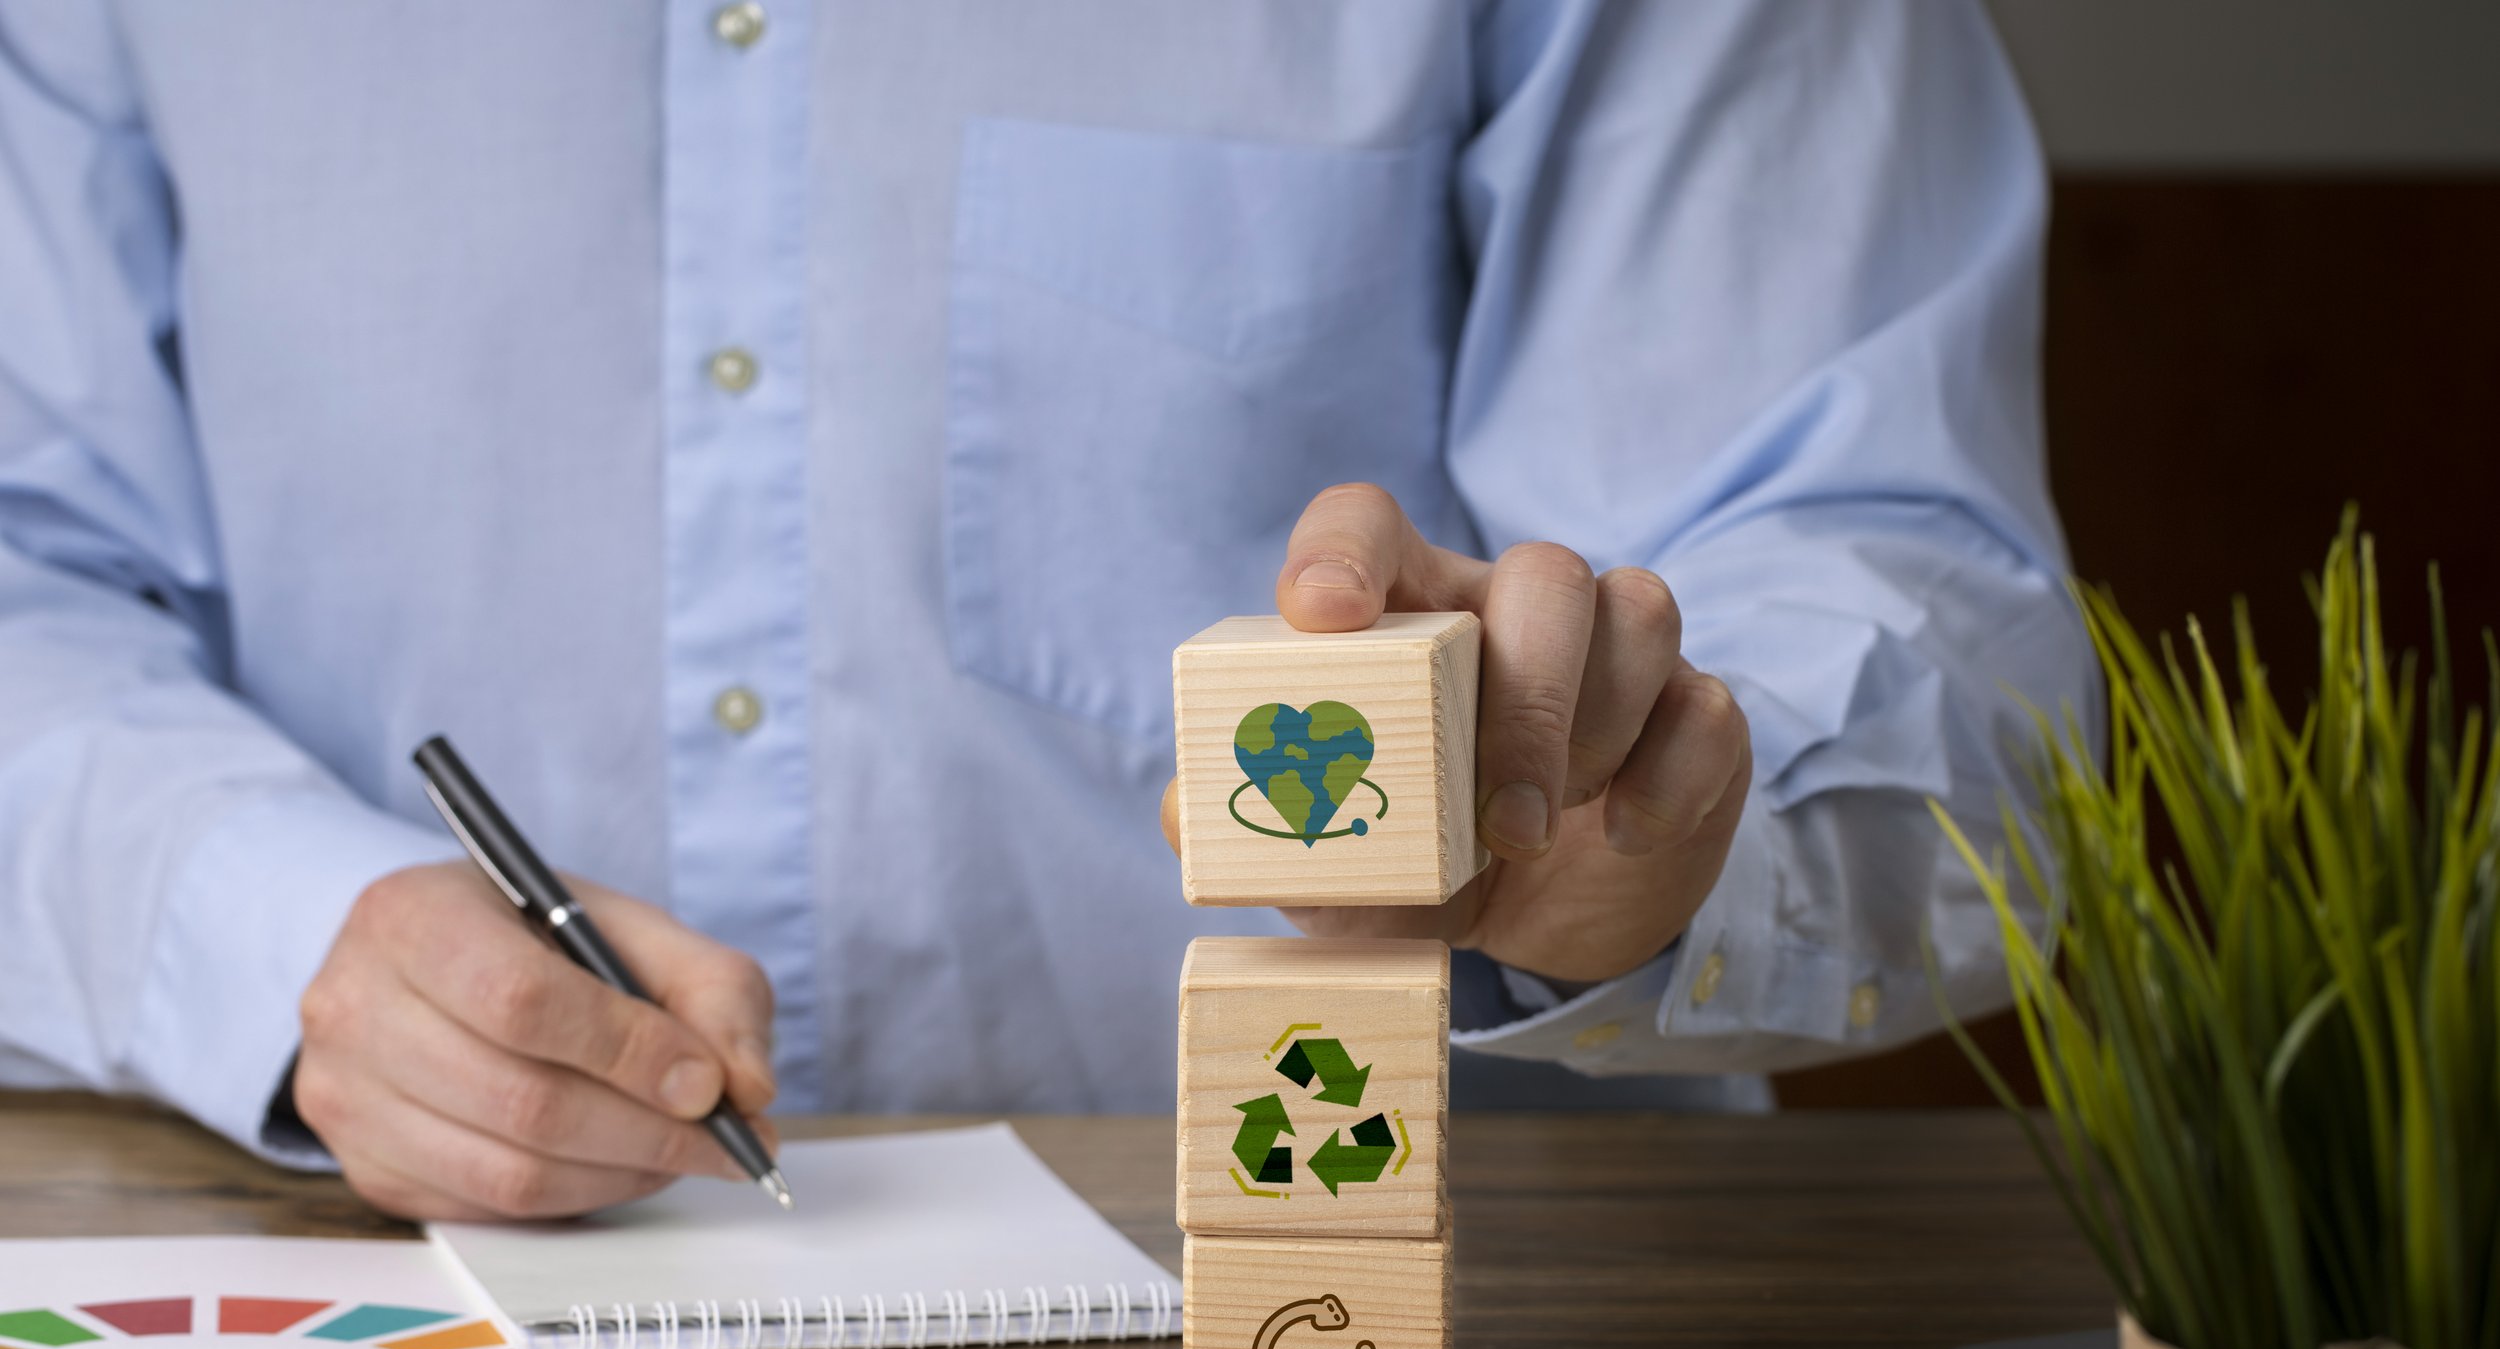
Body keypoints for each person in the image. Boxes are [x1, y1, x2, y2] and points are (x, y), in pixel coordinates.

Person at [0, 0, 2091, 1221]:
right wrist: (291, 936)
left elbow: (1921, 622)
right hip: (380, 1324)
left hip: (1475, 1339)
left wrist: (1662, 829)